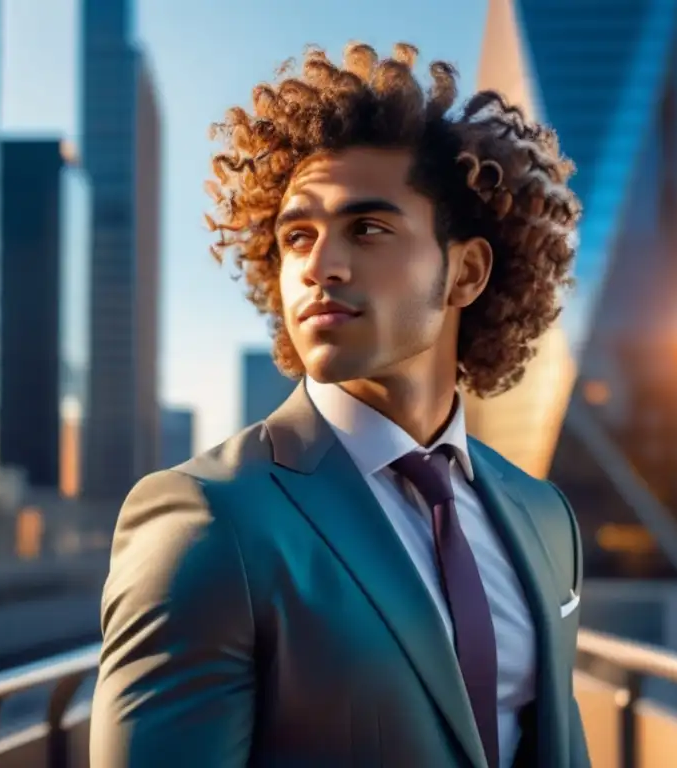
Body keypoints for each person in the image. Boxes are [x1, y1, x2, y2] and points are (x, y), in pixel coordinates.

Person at [90, 41, 590, 768]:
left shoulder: (545, 519)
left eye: (368, 229)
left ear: (467, 272)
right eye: (298, 236)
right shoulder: (205, 523)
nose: (321, 265)